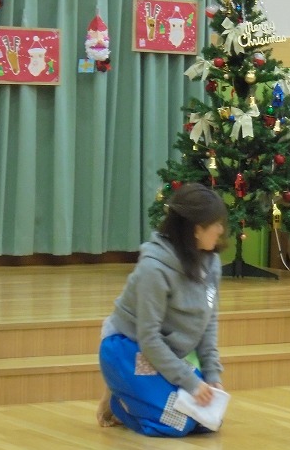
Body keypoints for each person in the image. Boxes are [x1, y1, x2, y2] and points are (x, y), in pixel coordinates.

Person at [96, 182, 227, 436]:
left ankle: (135, 393)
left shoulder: (211, 262)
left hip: (164, 353)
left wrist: (212, 375)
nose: (221, 230)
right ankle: (119, 401)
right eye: (216, 224)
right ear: (197, 229)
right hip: (127, 347)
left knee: (208, 421)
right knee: (176, 423)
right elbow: (148, 338)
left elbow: (208, 322)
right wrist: (189, 382)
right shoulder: (154, 269)